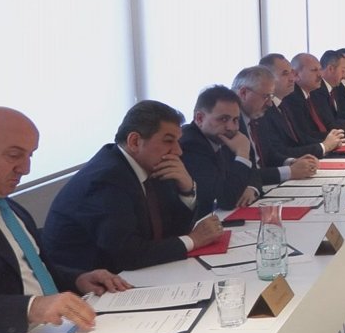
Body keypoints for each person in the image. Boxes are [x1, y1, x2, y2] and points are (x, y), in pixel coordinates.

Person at [0, 107, 131, 333]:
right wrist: (30, 308)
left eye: (30, 155)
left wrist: (78, 279)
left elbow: (32, 270)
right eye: (14, 155)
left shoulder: (7, 206)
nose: (25, 168)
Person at [42, 101, 225, 273]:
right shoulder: (107, 179)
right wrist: (193, 240)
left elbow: (172, 231)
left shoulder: (151, 165)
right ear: (135, 141)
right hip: (85, 284)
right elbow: (128, 255)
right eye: (169, 141)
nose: (178, 150)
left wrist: (186, 189)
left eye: (178, 141)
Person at [180, 85, 261, 217]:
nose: (231, 127)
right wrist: (242, 154)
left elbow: (252, 171)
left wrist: (251, 188)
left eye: (235, 120)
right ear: (199, 118)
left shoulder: (222, 137)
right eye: (223, 119)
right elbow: (226, 199)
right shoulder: (191, 145)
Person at [232, 66, 318, 185]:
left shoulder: (257, 116)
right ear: (243, 93)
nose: (269, 104)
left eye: (271, 97)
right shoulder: (230, 125)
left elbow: (269, 155)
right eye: (265, 96)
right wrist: (290, 171)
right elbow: (243, 175)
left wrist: (292, 162)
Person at [258, 56, 344, 164]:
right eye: (285, 74)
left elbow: (301, 139)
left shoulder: (282, 104)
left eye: (291, 73)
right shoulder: (263, 110)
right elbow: (279, 152)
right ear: (267, 79)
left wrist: (331, 142)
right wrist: (323, 146)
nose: (292, 78)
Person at [283, 53, 345, 143]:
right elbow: (306, 136)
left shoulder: (310, 94)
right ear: (296, 74)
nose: (320, 75)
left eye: (320, 69)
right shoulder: (292, 99)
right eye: (314, 70)